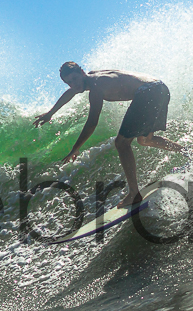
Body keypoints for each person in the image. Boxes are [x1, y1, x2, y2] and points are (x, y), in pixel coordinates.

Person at [33, 61, 183, 207]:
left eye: (75, 79)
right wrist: (51, 113)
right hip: (160, 88)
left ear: (82, 72)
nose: (73, 84)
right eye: (69, 82)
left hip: (147, 93)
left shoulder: (95, 88)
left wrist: (75, 148)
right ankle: (186, 152)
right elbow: (72, 91)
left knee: (121, 143)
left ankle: (134, 193)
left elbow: (92, 123)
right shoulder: (92, 76)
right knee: (145, 139)